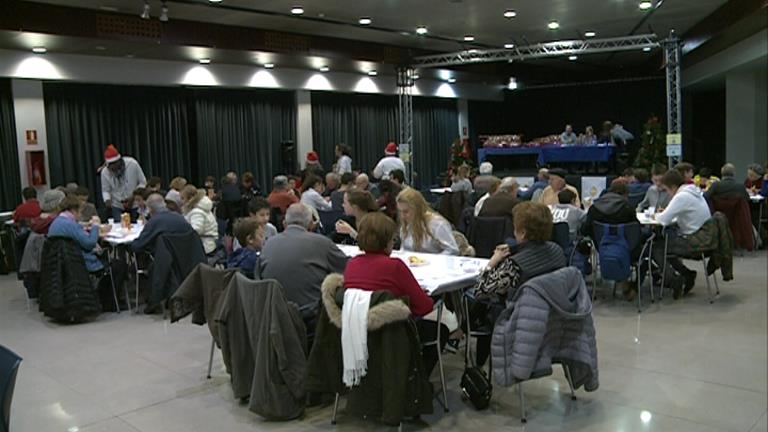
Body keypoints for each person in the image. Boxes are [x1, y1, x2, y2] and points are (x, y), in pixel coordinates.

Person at [343, 212, 447, 374]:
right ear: (386, 241)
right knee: (440, 330)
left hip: (356, 335)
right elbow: (425, 307)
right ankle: (417, 383)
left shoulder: (351, 264)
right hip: (392, 336)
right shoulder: (395, 266)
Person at [471, 202, 567, 367]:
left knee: (474, 302)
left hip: (521, 322)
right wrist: (516, 247)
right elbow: (536, 251)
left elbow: (480, 290)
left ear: (521, 232)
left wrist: (492, 263)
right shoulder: (557, 251)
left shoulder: (515, 265)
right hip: (555, 317)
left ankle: (477, 365)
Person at [257, 203, 349, 314]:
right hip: (310, 315)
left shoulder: (268, 244)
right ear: (311, 225)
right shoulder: (322, 243)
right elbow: (348, 268)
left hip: (273, 314)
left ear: (284, 224)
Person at [652, 170, 711, 299]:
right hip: (703, 237)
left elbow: (663, 220)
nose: (667, 193)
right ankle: (686, 274)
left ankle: (674, 280)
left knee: (657, 248)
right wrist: (667, 212)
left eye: (667, 190)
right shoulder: (692, 192)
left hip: (694, 241)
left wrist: (657, 214)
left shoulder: (681, 197)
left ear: (672, 187)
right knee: (666, 246)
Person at [48, 196, 106, 273]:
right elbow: (90, 243)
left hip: (61, 265)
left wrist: (84, 225)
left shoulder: (57, 222)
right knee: (118, 265)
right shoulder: (71, 225)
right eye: (80, 212)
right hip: (82, 264)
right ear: (73, 211)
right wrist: (95, 226)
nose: (81, 215)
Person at [397, 187, 459, 255]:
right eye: (400, 211)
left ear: (417, 209)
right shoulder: (405, 225)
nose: (402, 216)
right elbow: (404, 249)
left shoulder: (437, 224)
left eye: (406, 212)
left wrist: (432, 261)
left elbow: (453, 250)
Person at [100, 144, 147, 221]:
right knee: (120, 228)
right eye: (110, 165)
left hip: (134, 203)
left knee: (137, 226)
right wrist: (107, 201)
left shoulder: (132, 164)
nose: (112, 168)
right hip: (117, 205)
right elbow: (105, 190)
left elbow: (143, 183)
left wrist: (133, 196)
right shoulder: (105, 172)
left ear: (119, 161)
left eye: (114, 164)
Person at [180, 186, 219, 256]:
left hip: (204, 246)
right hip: (208, 244)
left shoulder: (197, 212)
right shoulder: (200, 208)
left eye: (183, 198)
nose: (181, 201)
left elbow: (196, 230)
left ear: (190, 198)